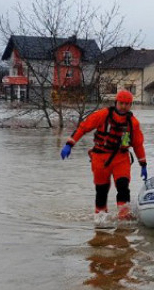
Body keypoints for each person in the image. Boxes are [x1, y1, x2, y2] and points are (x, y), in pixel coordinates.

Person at [61, 89, 147, 226]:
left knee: (123, 185)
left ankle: (124, 217)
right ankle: (100, 219)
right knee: (101, 189)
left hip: (121, 158)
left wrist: (143, 164)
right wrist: (69, 144)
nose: (124, 106)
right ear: (116, 102)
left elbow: (138, 145)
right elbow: (83, 128)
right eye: (121, 103)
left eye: (127, 104)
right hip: (100, 158)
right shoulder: (103, 115)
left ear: (131, 105)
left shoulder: (133, 123)